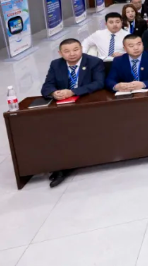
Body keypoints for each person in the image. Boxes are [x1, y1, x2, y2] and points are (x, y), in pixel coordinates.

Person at [41, 38, 105, 187]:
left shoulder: (94, 62)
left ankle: (64, 167)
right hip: (63, 107)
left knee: (70, 131)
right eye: (67, 51)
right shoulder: (56, 64)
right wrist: (53, 93)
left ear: (81, 48)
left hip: (87, 105)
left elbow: (98, 83)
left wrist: (73, 91)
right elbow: (47, 86)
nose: (72, 54)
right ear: (60, 53)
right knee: (49, 129)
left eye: (76, 50)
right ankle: (58, 164)